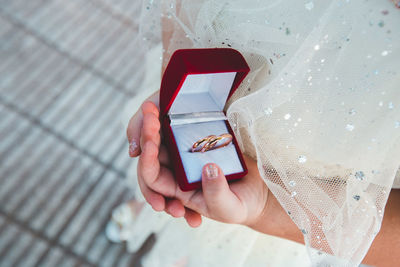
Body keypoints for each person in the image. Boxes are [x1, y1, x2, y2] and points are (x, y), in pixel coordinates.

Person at [108, 1, 400, 266]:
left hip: (304, 201)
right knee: (161, 163)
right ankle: (149, 213)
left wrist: (267, 205)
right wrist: (178, 89)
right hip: (206, 97)